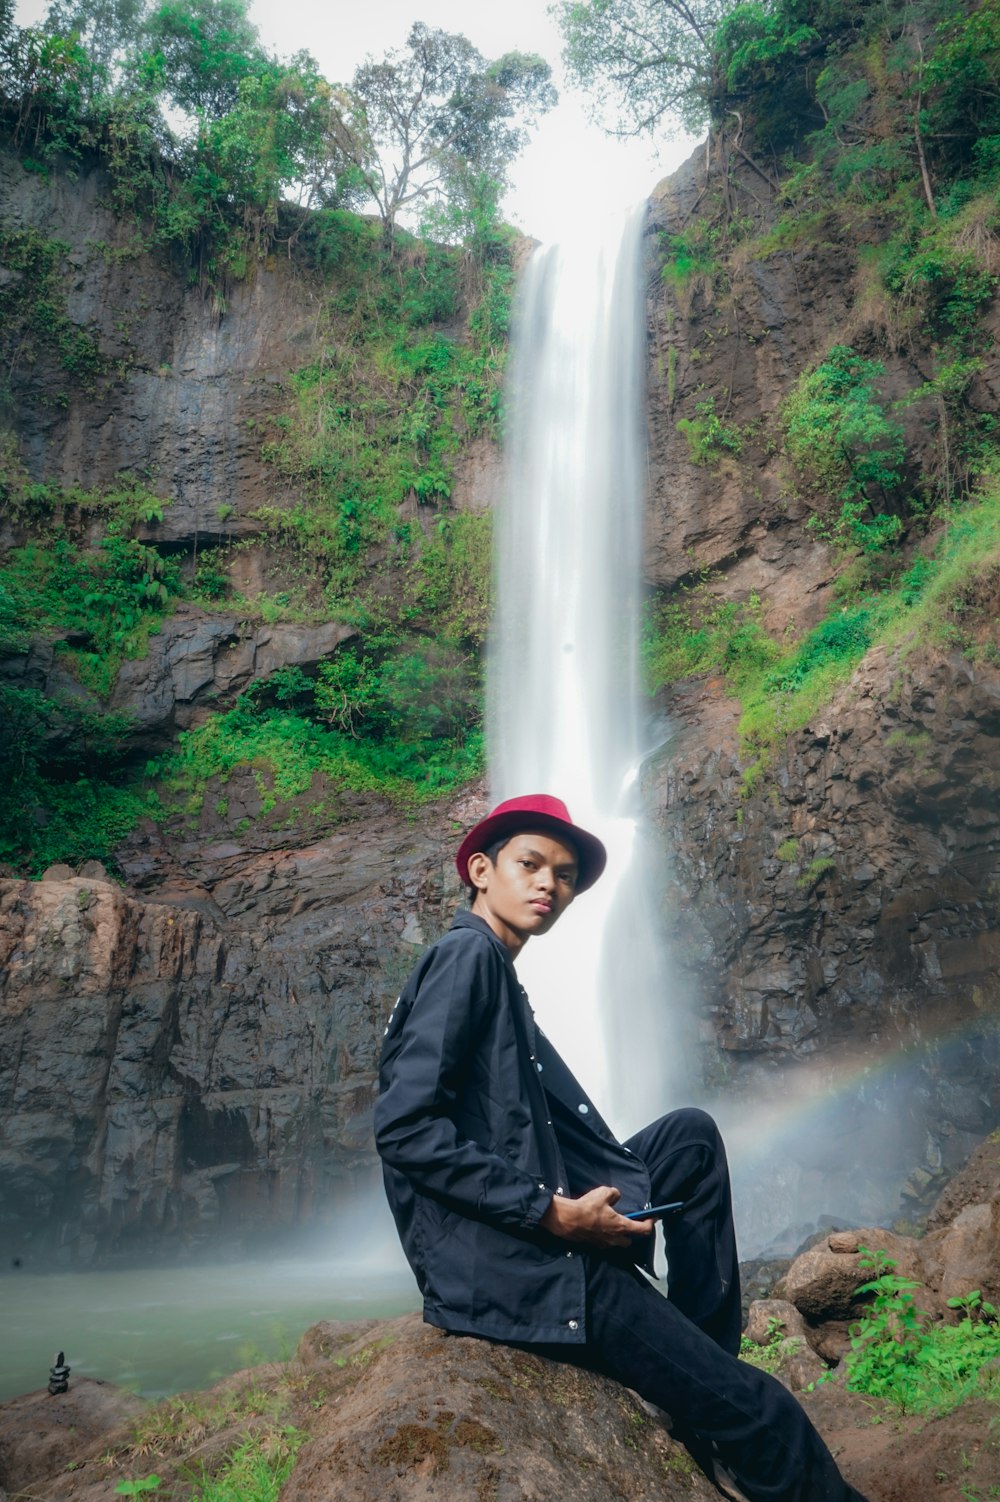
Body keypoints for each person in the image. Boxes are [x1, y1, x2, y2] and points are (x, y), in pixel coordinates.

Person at [375, 793, 869, 1502]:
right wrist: (551, 1214)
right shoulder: (467, 959)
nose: (549, 883)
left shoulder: (490, 968)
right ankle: (721, 1409)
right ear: (481, 870)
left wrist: (575, 1196)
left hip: (524, 1234)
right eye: (530, 863)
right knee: (768, 1415)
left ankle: (697, 1380)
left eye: (566, 874)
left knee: (689, 1139)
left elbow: (518, 1127)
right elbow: (404, 1128)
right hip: (514, 1265)